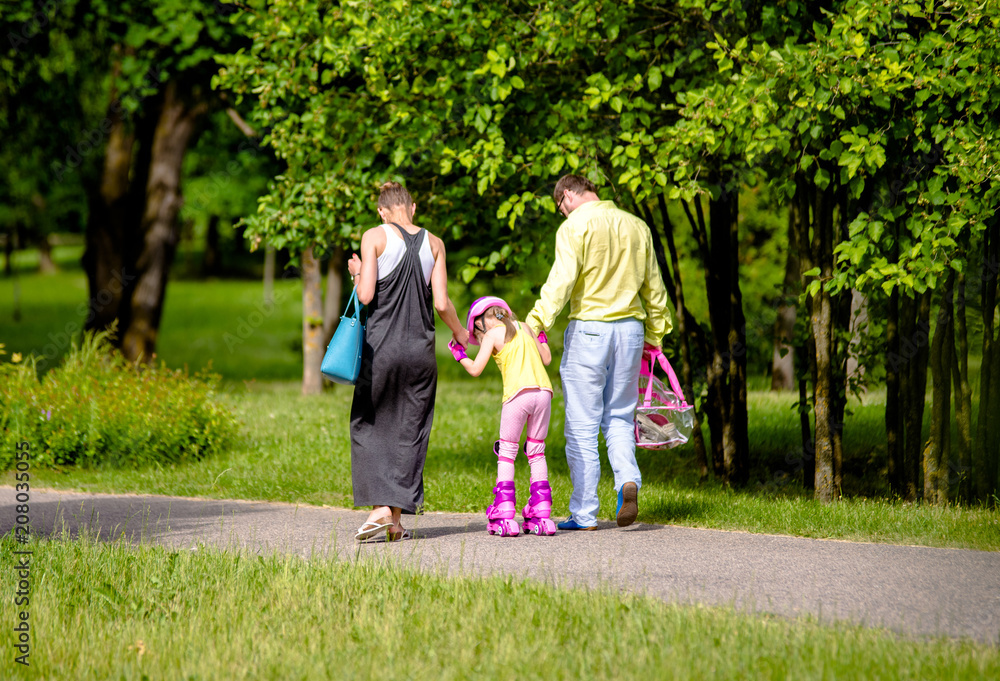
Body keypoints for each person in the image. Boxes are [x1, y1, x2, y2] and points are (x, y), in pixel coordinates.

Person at [525, 174, 672, 531]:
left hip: (590, 330)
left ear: (569, 195)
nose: (563, 214)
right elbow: (654, 288)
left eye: (561, 207)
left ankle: (585, 513)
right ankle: (627, 480)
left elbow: (560, 281)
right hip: (631, 332)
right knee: (620, 417)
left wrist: (535, 322)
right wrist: (656, 334)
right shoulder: (638, 226)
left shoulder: (576, 226)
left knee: (582, 425)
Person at [347, 181, 468, 542]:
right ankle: (395, 522)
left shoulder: (374, 236)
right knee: (408, 430)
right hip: (420, 353)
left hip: (381, 349)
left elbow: (366, 294)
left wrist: (355, 270)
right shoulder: (435, 243)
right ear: (412, 207)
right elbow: (443, 303)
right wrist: (461, 334)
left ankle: (380, 510)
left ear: (382, 211)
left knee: (368, 425)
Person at [447, 296, 557, 536]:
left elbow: (476, 369)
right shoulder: (526, 328)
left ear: (481, 322)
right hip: (544, 393)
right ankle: (541, 510)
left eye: (475, 331)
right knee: (536, 451)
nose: (477, 336)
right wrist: (541, 338)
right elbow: (546, 358)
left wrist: (459, 354)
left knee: (507, 452)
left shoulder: (492, 335)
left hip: (518, 395)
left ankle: (505, 511)